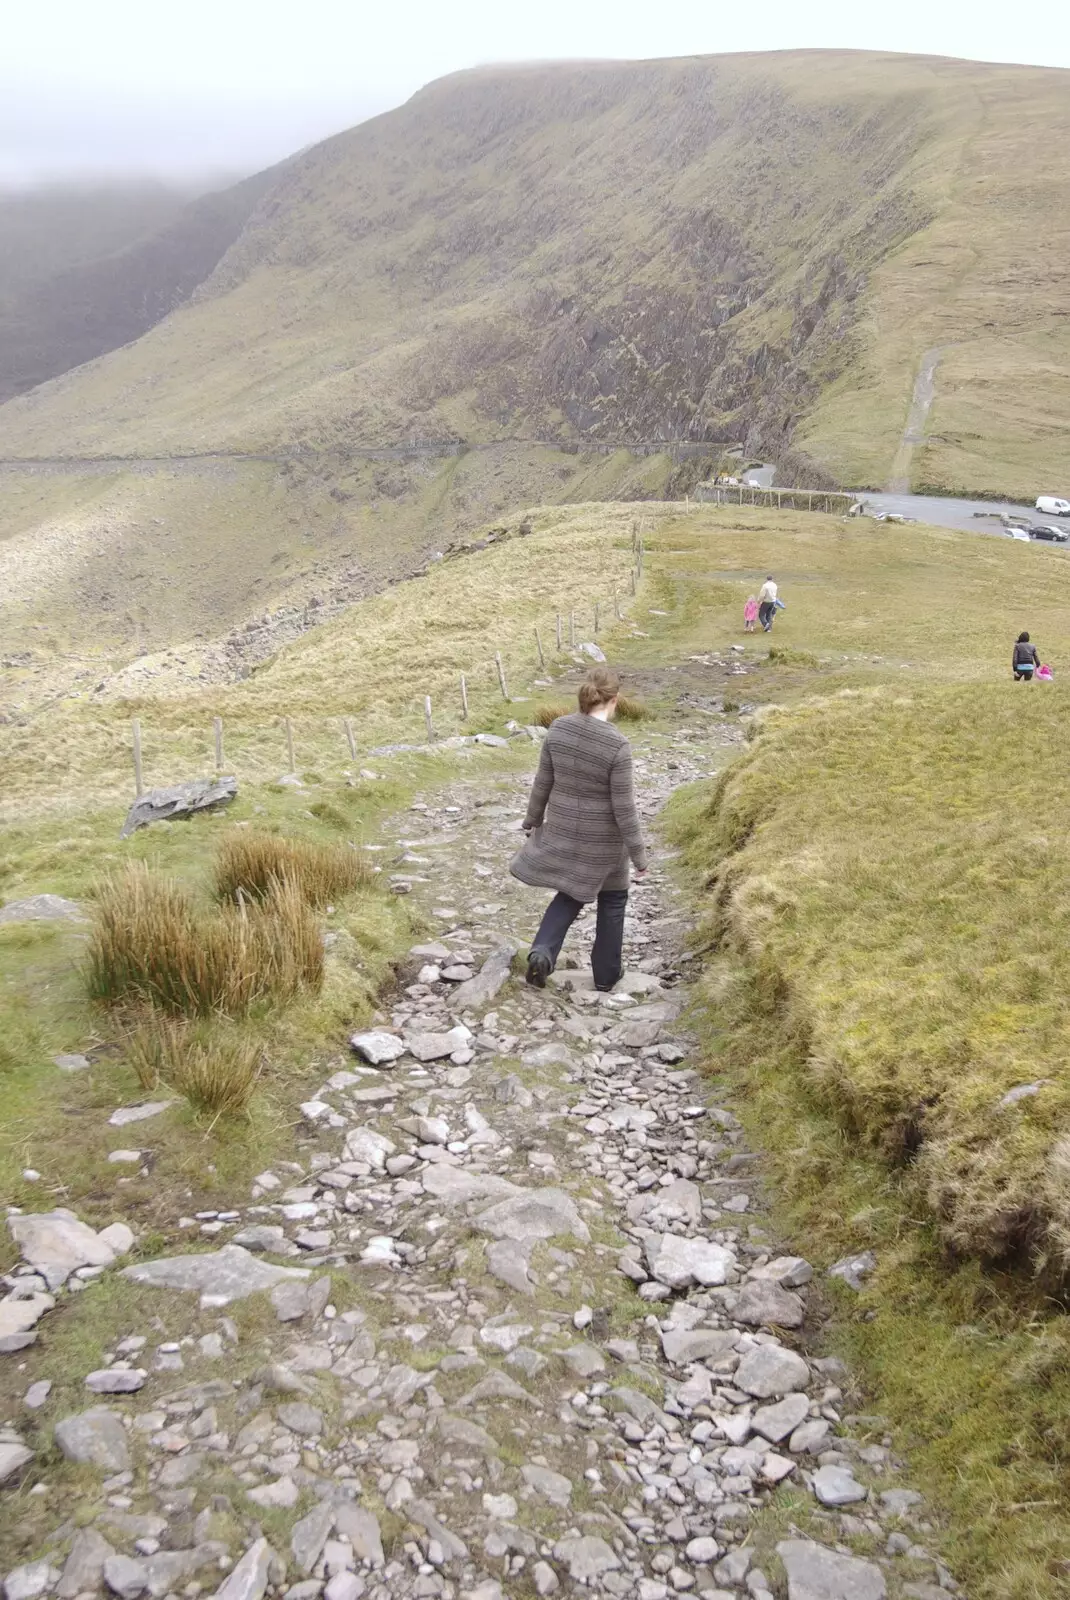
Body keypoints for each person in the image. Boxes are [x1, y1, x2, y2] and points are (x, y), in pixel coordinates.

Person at [510, 666, 648, 992]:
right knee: (613, 900)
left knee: (570, 895)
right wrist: (640, 856)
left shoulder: (558, 729)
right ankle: (606, 975)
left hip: (563, 832)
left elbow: (543, 782)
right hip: (606, 846)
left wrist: (532, 821)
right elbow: (624, 809)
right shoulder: (617, 745)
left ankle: (542, 953)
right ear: (614, 700)